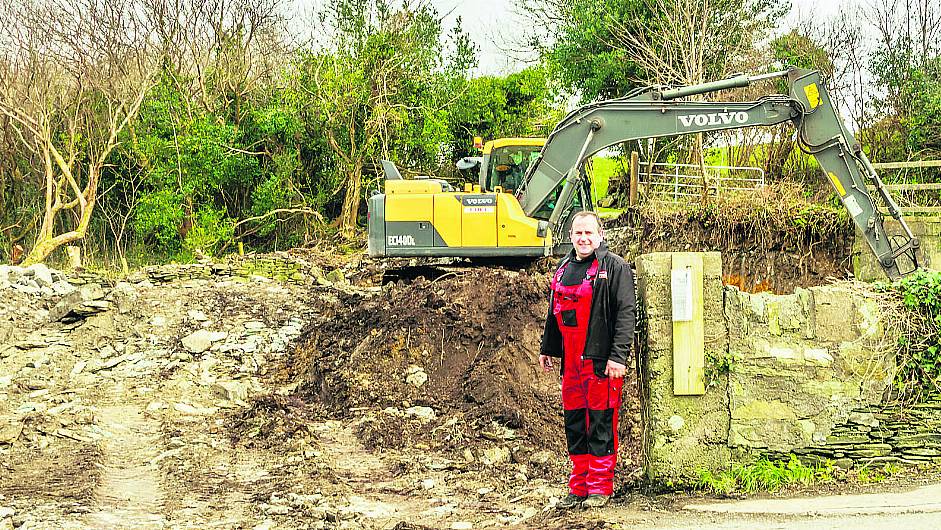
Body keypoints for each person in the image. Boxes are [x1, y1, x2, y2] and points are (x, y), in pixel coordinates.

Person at [538, 211, 636, 509]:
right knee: (576, 424)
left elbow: (625, 314)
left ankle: (599, 487)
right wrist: (548, 347)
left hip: (600, 362)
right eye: (578, 233)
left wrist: (618, 357)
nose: (583, 238)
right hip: (571, 364)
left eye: (589, 233)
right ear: (570, 236)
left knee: (600, 424)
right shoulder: (562, 268)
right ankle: (578, 485)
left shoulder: (614, 267)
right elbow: (555, 312)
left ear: (600, 235)